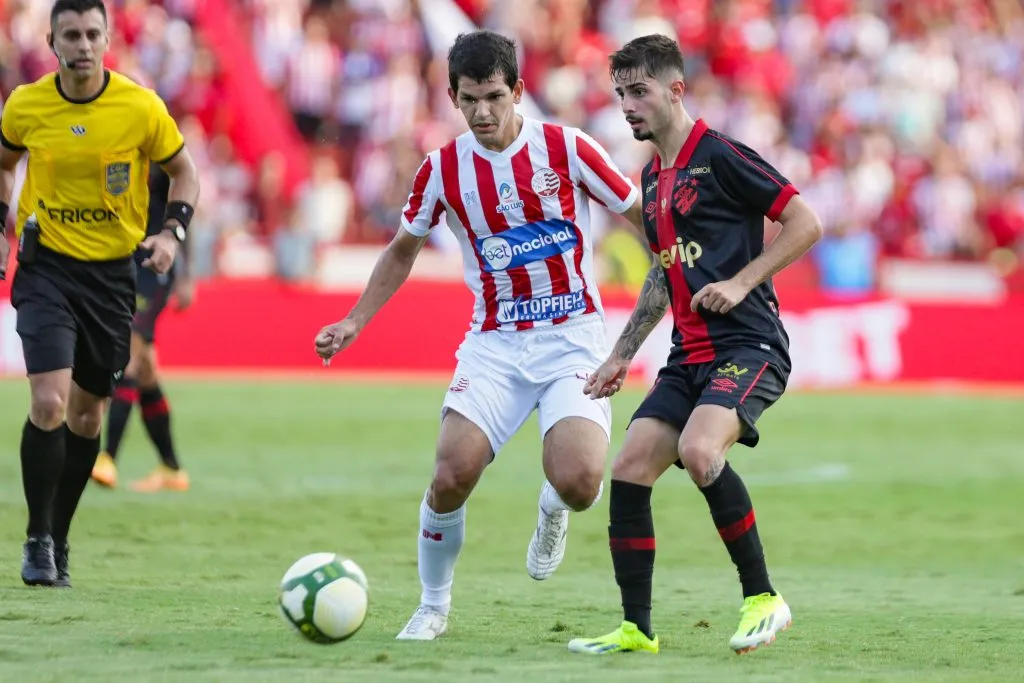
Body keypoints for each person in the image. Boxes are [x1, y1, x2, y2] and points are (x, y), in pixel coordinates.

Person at [314, 30, 645, 640]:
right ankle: (433, 605)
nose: (483, 112)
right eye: (470, 100)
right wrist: (354, 321)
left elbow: (641, 215)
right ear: (452, 97)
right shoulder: (442, 169)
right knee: (450, 473)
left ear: (519, 90)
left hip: (573, 336)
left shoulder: (569, 149)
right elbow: (401, 250)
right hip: (495, 342)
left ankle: (552, 508)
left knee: (577, 482)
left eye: (495, 96)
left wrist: (688, 273)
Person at [567, 34, 823, 656]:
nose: (627, 105)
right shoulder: (651, 178)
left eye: (639, 91)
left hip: (750, 343)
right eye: (620, 92)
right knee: (628, 467)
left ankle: (764, 598)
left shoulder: (723, 155)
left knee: (700, 449)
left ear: (675, 90)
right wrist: (622, 352)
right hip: (690, 354)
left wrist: (741, 281)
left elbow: (805, 222)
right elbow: (664, 270)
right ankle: (637, 628)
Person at [0, 0, 199, 587]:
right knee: (49, 403)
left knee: (87, 417)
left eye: (92, 33)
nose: (83, 44)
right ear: (52, 41)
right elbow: (4, 162)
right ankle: (36, 539)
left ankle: (60, 535)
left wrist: (172, 234)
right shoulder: (26, 104)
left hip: (112, 276)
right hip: (45, 268)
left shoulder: (139, 107)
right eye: (71, 35)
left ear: (108, 38)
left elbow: (185, 171)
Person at [91, 164, 194, 492]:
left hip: (156, 266)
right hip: (127, 262)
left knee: (130, 354)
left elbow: (187, 201)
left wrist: (187, 273)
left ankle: (107, 458)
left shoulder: (161, 148)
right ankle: (171, 468)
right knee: (145, 369)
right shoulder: (116, 141)